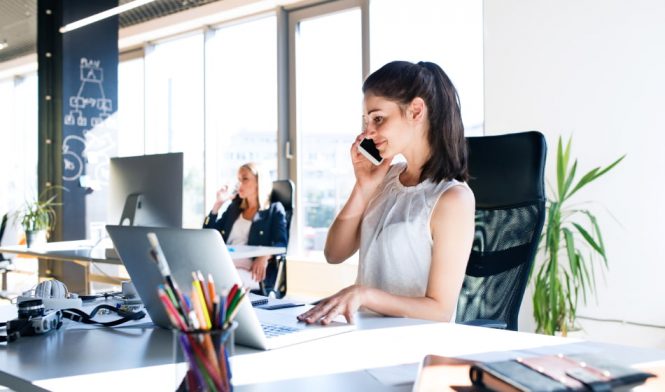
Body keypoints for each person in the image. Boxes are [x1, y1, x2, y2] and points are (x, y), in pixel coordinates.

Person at [298, 61, 475, 325]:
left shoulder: (452, 199)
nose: (368, 132)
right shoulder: (386, 178)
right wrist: (363, 187)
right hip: (364, 331)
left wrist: (365, 295)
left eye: (378, 118)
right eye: (366, 121)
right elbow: (334, 253)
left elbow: (440, 310)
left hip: (411, 346)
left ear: (416, 111)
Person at [203, 162, 287, 290]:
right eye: (238, 180)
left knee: (221, 282)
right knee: (197, 278)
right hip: (224, 263)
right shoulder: (234, 208)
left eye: (245, 179)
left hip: (251, 270)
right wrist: (217, 205)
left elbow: (281, 243)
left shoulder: (274, 210)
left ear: (259, 182)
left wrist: (264, 256)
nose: (239, 184)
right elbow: (208, 235)